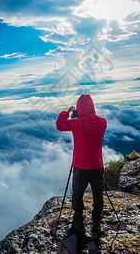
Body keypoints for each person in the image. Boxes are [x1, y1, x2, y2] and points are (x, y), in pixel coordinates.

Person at [56, 94, 107, 244]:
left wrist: (67, 112)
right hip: (97, 166)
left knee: (77, 195)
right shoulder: (102, 122)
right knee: (98, 195)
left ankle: (78, 221)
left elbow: (60, 125)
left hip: (80, 166)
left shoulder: (76, 124)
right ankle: (96, 223)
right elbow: (91, 123)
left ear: (79, 108)